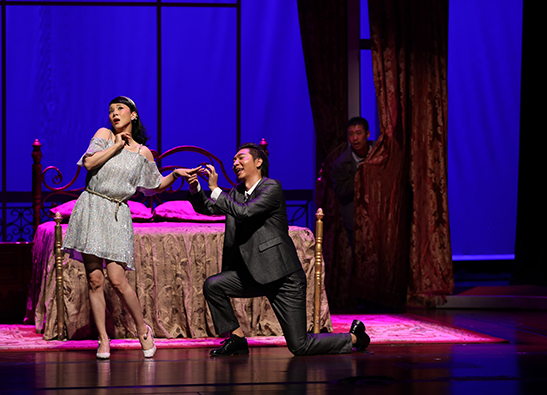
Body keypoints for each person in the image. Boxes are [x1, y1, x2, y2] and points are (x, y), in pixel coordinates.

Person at [186, 142, 370, 356]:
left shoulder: (271, 187)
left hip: (283, 278)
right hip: (254, 275)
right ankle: (237, 339)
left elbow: (246, 212)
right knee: (214, 285)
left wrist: (216, 189)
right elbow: (208, 207)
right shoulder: (236, 193)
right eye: (234, 159)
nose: (235, 162)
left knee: (300, 346)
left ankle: (355, 337)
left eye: (241, 157)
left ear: (258, 162)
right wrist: (195, 188)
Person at [62, 96, 198, 360]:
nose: (114, 113)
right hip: (91, 207)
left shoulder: (142, 153)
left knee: (117, 279)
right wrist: (116, 146)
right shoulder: (104, 135)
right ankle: (103, 339)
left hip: (116, 213)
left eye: (120, 109)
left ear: (133, 115)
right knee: (95, 279)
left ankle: (142, 328)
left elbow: (152, 187)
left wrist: (175, 175)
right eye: (111, 110)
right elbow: (89, 163)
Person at [331, 117, 376, 247]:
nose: (355, 138)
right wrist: (360, 175)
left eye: (358, 133)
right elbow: (341, 190)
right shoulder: (341, 163)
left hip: (378, 217)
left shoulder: (378, 154)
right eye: (351, 134)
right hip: (355, 219)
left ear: (367, 134)